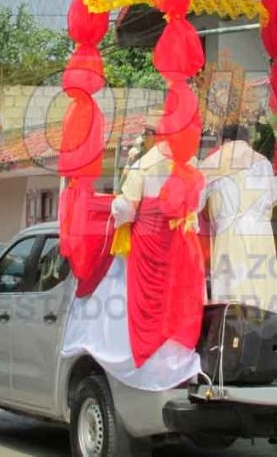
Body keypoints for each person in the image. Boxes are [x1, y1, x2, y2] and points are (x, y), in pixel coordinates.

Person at [61, 138, 204, 392]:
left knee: (125, 305)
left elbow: (126, 209)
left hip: (144, 251)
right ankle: (175, 364)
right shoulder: (193, 168)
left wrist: (115, 205)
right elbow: (197, 205)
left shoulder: (144, 166)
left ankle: (143, 364)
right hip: (180, 250)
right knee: (176, 306)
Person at [199, 124, 277, 314]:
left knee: (233, 287)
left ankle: (232, 327)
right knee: (262, 288)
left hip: (230, 232)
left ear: (225, 140)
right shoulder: (263, 162)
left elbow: (195, 203)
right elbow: (273, 198)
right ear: (246, 141)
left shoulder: (213, 163)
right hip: (261, 231)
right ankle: (267, 325)